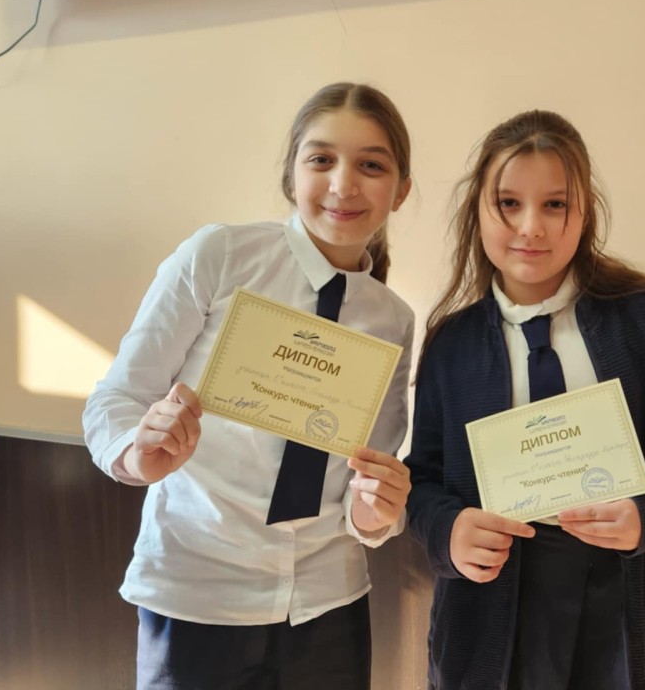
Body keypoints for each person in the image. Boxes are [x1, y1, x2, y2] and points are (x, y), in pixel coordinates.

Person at [405, 109, 645, 690]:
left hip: (623, 602)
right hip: (489, 609)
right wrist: (448, 530)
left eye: (555, 204)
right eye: (508, 203)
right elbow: (421, 477)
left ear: (585, 213)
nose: (531, 227)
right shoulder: (452, 344)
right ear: (477, 210)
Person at [83, 82, 415, 690]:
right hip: (199, 592)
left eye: (371, 165)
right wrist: (138, 451)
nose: (344, 184)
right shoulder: (220, 257)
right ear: (292, 176)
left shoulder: (393, 319)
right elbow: (116, 398)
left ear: (401, 189)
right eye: (321, 159)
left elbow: (368, 481)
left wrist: (376, 513)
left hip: (329, 606)